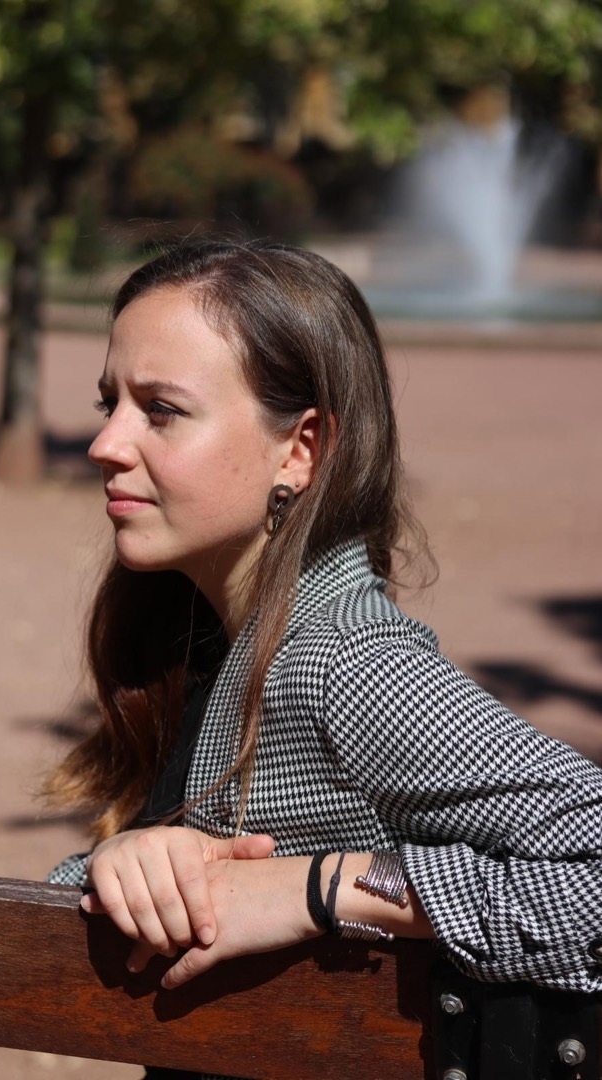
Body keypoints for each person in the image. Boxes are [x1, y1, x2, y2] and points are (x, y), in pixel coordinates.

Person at [45, 238, 602, 1078]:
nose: (106, 443)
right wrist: (120, 867)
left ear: (300, 448)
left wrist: (323, 888)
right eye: (109, 403)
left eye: (160, 410)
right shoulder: (194, 645)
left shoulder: (346, 664)